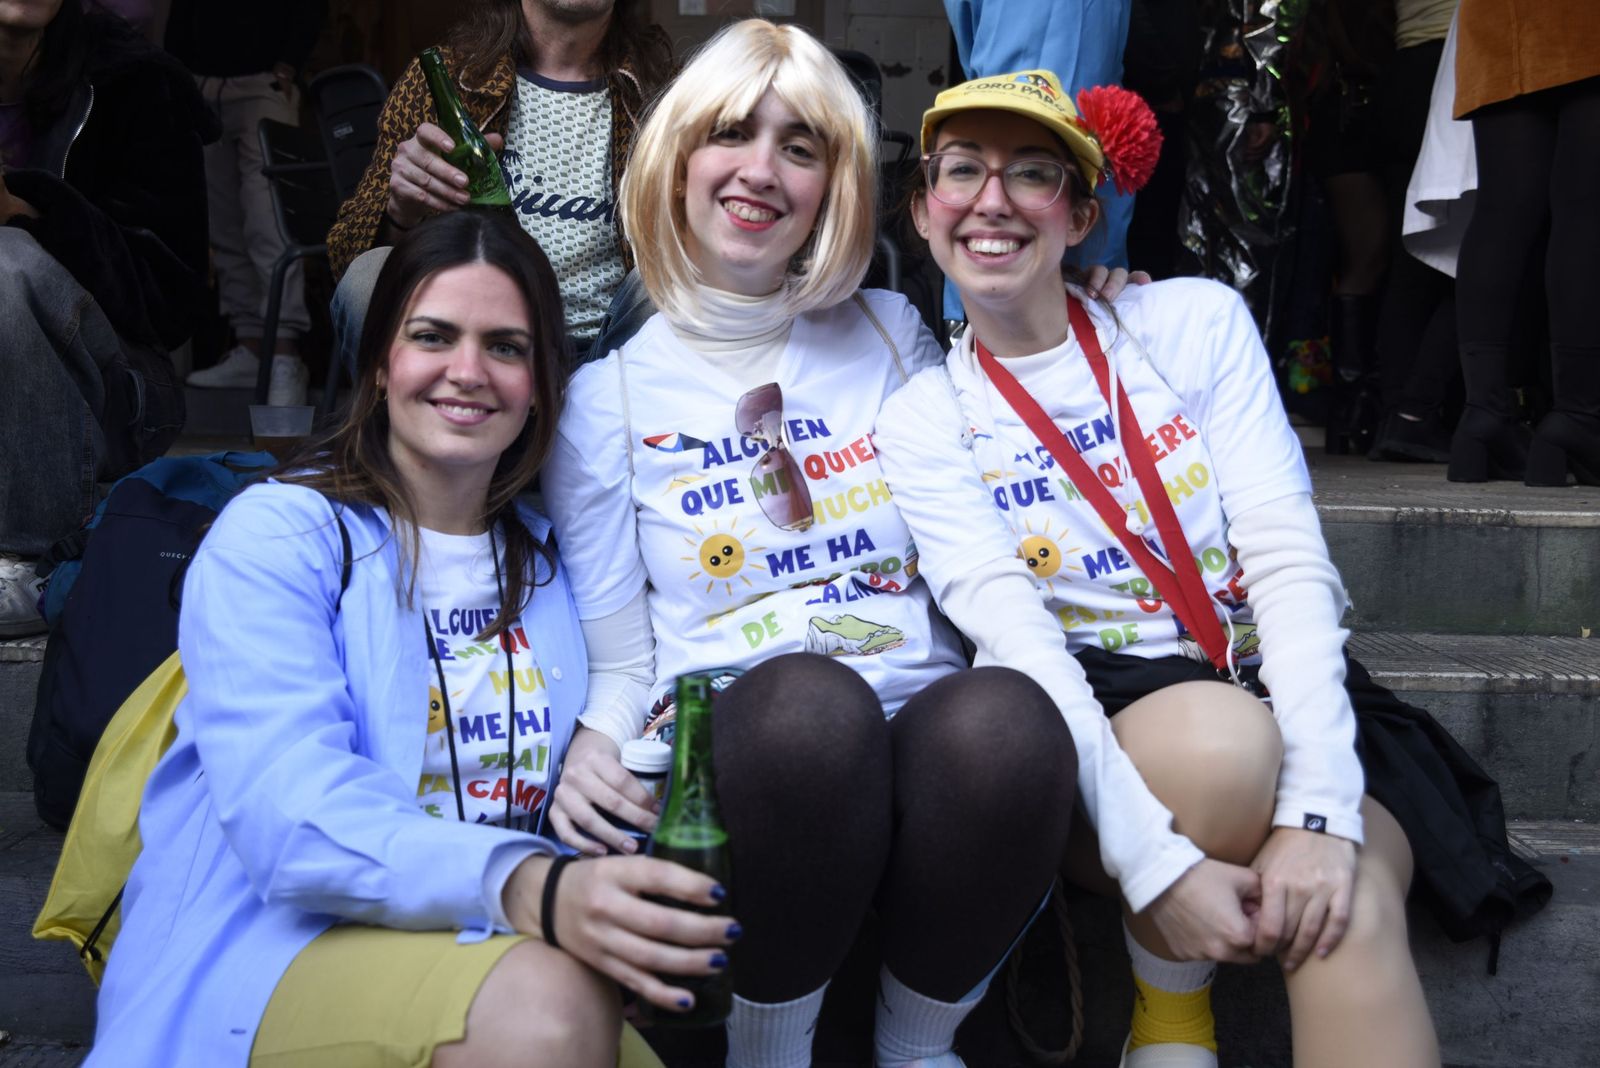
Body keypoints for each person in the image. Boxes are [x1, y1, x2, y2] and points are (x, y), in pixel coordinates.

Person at [873, 71, 1447, 1067]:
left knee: (1345, 911)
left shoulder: (1193, 323)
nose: (991, 199)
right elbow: (1020, 644)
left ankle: (1180, 1014)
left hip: (1278, 688)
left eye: (1033, 173)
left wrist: (1315, 809)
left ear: (1083, 212)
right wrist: (1161, 875)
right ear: (924, 209)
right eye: (961, 170)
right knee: (1222, 752)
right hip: (1107, 736)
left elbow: (1286, 561)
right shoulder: (923, 417)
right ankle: (1170, 1007)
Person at [541, 21, 1086, 1068]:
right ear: (676, 160)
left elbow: (981, 534)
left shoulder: (892, 332)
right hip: (762, 749)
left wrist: (1098, 312)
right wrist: (594, 743)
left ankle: (916, 1046)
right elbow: (620, 653)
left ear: (834, 181)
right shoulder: (605, 400)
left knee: (1012, 721)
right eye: (731, 134)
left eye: (801, 147)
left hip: (923, 725)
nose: (760, 170)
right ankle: (770, 1051)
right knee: (809, 712)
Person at [87, 212, 735, 1067]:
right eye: (433, 336)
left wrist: (605, 746)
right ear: (381, 362)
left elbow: (663, 671)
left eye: (506, 347)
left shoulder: (556, 561)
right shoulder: (279, 537)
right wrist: (534, 885)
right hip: (274, 951)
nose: (468, 372)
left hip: (508, 948)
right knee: (546, 1011)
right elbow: (293, 817)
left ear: (543, 380)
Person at [0, 0, 214, 637]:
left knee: (6, 262)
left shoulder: (133, 81)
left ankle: (26, 561)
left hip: (114, 384)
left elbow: (172, 301)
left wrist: (29, 210)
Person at [325, 0, 672, 368]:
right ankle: (432, 419)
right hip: (474, 343)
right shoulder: (447, 80)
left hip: (617, 350)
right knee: (368, 278)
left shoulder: (665, 90)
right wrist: (400, 213)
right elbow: (346, 255)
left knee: (675, 281)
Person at [1447, 0, 1600, 484]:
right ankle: (1581, 416)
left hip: (1499, 20)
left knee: (1502, 210)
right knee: (1585, 211)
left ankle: (1485, 415)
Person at [170, 0, 327, 403]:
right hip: (202, 87)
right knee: (222, 222)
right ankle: (252, 346)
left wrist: (289, 65)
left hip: (263, 83)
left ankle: (284, 353)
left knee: (268, 221)